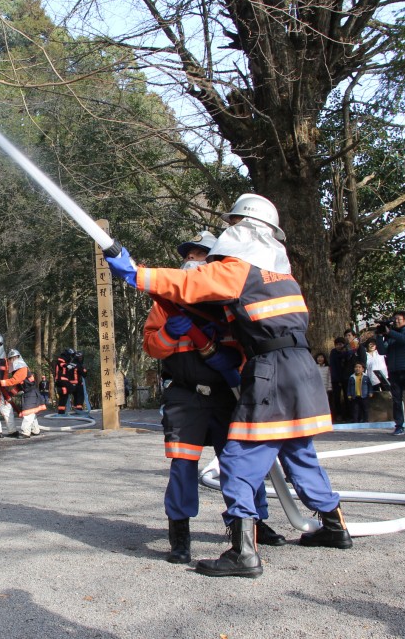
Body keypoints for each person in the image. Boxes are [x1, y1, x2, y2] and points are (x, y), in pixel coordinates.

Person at [106, 193, 352, 579]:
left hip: (270, 369)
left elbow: (191, 283)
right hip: (301, 370)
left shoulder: (239, 268)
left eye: (233, 225)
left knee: (238, 459)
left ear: (245, 228)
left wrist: (135, 273)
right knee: (299, 452)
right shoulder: (281, 275)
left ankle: (243, 553)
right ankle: (335, 528)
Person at [142, 230, 285, 564]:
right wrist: (167, 332)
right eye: (189, 255)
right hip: (184, 397)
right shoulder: (166, 305)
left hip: (227, 394)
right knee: (182, 465)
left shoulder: (231, 302)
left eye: (201, 255)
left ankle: (253, 526)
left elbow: (253, 344)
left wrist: (228, 352)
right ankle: (180, 537)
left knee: (240, 465)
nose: (192, 261)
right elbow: (151, 346)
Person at [375, 311, 405, 436]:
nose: (396, 321)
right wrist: (379, 336)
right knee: (396, 400)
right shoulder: (391, 335)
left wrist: (389, 332)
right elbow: (382, 351)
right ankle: (399, 426)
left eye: (399, 319)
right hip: (394, 370)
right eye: (394, 319)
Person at [0, 349, 45, 438]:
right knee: (31, 412)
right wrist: (11, 393)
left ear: (18, 357)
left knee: (28, 413)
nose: (12, 360)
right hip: (28, 393)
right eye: (11, 358)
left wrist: (1, 382)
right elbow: (20, 385)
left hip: (31, 393)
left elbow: (14, 381)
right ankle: (35, 430)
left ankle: (25, 432)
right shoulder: (17, 370)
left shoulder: (22, 368)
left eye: (14, 358)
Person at [328, 337, 352, 421]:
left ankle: (348, 415)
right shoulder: (333, 352)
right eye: (337, 345)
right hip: (336, 379)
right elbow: (338, 358)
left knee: (347, 397)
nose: (339, 346)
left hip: (345, 378)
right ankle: (338, 414)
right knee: (336, 398)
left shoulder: (346, 353)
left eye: (341, 344)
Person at [53, 348, 79, 414]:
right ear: (68, 354)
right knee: (74, 389)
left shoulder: (66, 360)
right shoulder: (61, 358)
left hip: (63, 380)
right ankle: (76, 407)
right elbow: (62, 364)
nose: (71, 357)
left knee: (64, 396)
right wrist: (68, 365)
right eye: (71, 356)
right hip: (61, 379)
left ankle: (61, 411)